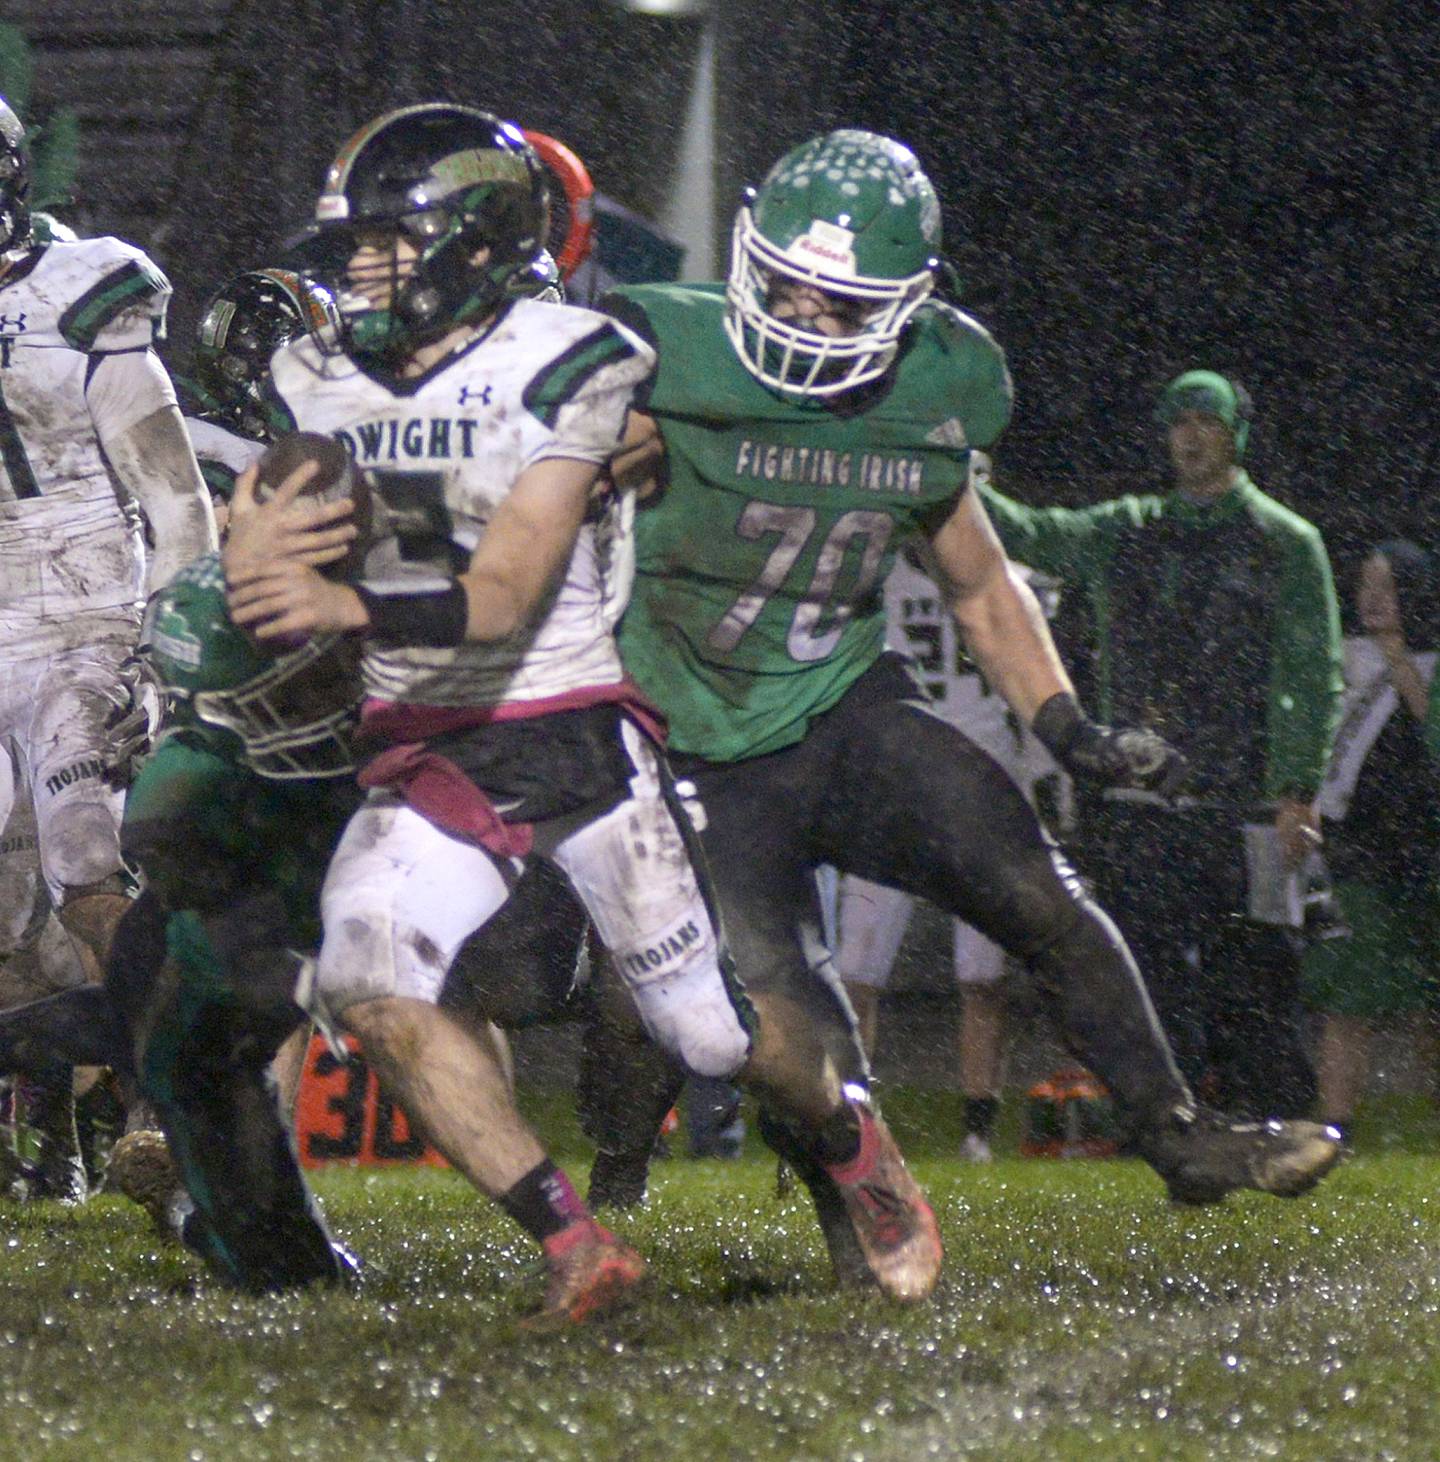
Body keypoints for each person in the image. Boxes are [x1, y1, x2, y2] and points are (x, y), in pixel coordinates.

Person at [225, 103, 943, 1315]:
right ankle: (574, 1242)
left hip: (568, 734)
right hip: (424, 740)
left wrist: (339, 611)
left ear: (467, 245)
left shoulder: (571, 358)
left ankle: (854, 1142)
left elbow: (504, 592)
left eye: (384, 244)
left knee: (710, 1037)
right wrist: (256, 566)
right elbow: (305, 546)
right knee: (366, 971)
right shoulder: (313, 375)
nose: (355, 269)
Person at [597, 129, 1341, 1229]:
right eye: (789, 288)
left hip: (840, 705)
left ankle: (1179, 1138)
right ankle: (611, 1192)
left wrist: (1068, 726)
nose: (804, 320)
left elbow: (980, 578)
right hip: (691, 735)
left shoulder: (949, 380)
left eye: (842, 305)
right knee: (763, 1007)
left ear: (911, 304)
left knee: (1031, 879)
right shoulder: (663, 356)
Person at [981, 370, 1343, 1118]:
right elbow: (1030, 533)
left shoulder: (1287, 542)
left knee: (1253, 978)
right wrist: (951, 474)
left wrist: (1297, 789)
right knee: (1144, 973)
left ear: (1237, 433)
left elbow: (1314, 674)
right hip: (1141, 797)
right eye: (1179, 420)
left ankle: (1269, 1125)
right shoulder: (1129, 526)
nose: (1191, 434)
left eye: (1207, 420)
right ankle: (1166, 1129)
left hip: (1243, 803)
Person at [0, 96, 216, 1200]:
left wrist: (163, 650)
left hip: (83, 612)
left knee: (87, 859)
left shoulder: (80, 296)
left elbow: (176, 499)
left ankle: (162, 1106)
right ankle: (57, 1108)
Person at [1304, 541, 1440, 1136]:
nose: (1374, 597)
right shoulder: (1341, 658)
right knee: (1347, 989)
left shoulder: (1430, 659)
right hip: (1356, 846)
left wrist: (1397, 652)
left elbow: (1425, 719)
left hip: (1423, 849)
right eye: (1365, 584)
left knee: (1431, 1001)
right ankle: (1337, 1128)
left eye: (1388, 585)